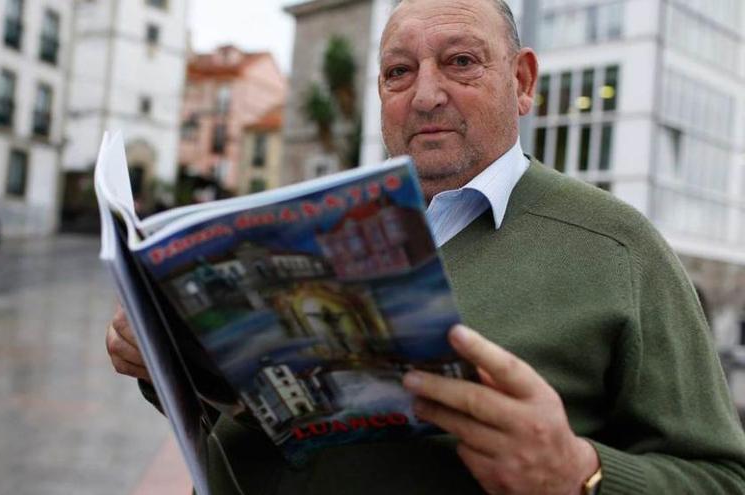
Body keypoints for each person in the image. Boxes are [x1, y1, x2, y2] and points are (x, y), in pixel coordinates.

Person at [106, 0, 745, 493]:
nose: (426, 94)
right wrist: (163, 358)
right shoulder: (292, 228)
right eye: (399, 72)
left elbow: (722, 478)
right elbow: (242, 415)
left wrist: (579, 474)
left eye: (461, 62)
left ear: (522, 84)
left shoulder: (619, 248)